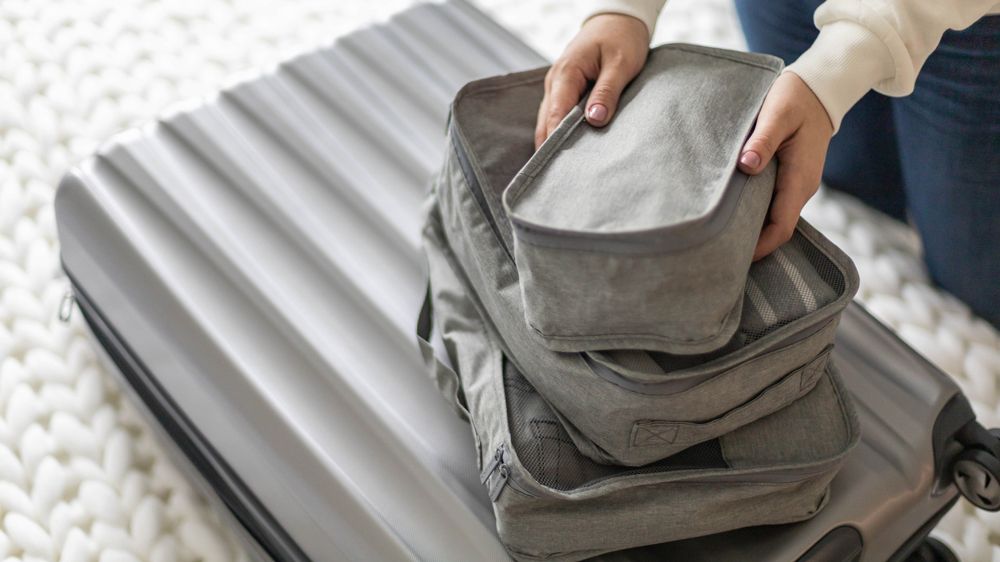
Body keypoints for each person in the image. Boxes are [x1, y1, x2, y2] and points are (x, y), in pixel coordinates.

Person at [536, 0, 1000, 326]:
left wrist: (838, 68)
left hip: (971, 25)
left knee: (977, 283)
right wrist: (625, 8)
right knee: (847, 174)